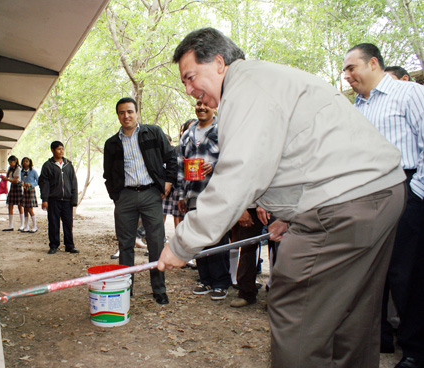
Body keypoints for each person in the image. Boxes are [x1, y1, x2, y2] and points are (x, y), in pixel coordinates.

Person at [158, 28, 406, 368]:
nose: (189, 90)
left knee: (295, 309)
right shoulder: (263, 81)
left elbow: (239, 173)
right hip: (376, 194)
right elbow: (297, 154)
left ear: (218, 62)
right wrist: (287, 215)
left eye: (190, 77)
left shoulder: (246, 88)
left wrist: (182, 244)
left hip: (347, 206)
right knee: (351, 314)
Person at [343, 43, 424, 367]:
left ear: (373, 62)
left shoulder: (408, 94)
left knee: (408, 274)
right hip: (367, 195)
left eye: (352, 68)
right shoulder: (356, 108)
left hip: (407, 190)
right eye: (345, 70)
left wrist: (416, 193)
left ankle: (416, 350)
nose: (347, 76)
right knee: (373, 269)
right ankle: (379, 339)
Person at [103, 97, 177, 305]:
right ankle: (126, 288)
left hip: (151, 194)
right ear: (117, 115)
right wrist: (116, 196)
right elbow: (108, 174)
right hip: (125, 196)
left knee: (155, 243)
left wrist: (168, 182)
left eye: (129, 111)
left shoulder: (153, 133)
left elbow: (171, 158)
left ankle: (159, 289)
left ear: (137, 113)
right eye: (121, 113)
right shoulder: (112, 143)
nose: (126, 116)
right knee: (125, 244)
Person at [177, 100, 230, 300]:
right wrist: (182, 195)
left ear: (213, 107)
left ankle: (221, 282)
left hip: (216, 194)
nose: (201, 107)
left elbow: (232, 158)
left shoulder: (222, 130)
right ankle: (205, 279)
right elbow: (181, 166)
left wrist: (214, 165)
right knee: (197, 238)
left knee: (216, 238)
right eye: (198, 104)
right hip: (193, 195)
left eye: (205, 104)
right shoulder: (187, 135)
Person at [39, 141, 79, 254]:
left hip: (67, 200)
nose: (61, 151)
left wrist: (74, 198)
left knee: (68, 223)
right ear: (52, 150)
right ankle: (54, 245)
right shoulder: (47, 165)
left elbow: (73, 182)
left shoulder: (68, 164)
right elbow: (44, 183)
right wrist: (45, 199)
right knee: (53, 223)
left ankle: (69, 245)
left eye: (62, 149)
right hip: (53, 200)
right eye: (58, 149)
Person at [2, 155, 24, 231]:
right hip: (12, 187)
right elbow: (9, 178)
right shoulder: (10, 168)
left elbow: (16, 180)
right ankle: (10, 225)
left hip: (17, 187)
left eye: (11, 162)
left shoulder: (18, 168)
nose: (10, 164)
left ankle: (22, 225)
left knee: (19, 206)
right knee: (10, 205)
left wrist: (7, 179)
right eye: (9, 162)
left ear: (15, 161)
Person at [20, 157, 39, 233]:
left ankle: (35, 226)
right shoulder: (22, 172)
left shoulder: (33, 171)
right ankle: (26, 226)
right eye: (24, 161)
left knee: (30, 209)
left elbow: (37, 181)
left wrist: (31, 185)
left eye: (27, 161)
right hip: (24, 191)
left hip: (31, 190)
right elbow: (21, 180)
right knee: (25, 208)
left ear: (30, 162)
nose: (25, 163)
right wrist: (22, 184)